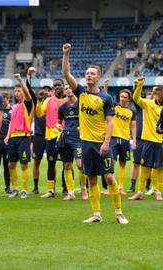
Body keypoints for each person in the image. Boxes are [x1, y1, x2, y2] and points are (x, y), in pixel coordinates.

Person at [63, 43, 128, 224]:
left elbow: (110, 121)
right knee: (91, 178)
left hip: (101, 143)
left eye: (92, 73)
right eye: (86, 73)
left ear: (98, 77)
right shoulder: (81, 93)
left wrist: (107, 142)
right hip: (85, 143)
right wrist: (66, 54)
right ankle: (96, 214)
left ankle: (119, 212)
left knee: (109, 177)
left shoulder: (106, 98)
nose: (88, 75)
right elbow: (67, 74)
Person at [128, 78, 163, 201]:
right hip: (148, 140)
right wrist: (139, 85)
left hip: (162, 141)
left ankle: (158, 192)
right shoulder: (148, 104)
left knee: (160, 167)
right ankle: (140, 192)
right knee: (144, 166)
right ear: (157, 94)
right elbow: (135, 98)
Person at [35, 77, 67, 198]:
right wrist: (38, 101)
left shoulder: (69, 100)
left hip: (64, 135)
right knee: (51, 162)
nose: (57, 87)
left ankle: (66, 188)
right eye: (55, 85)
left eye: (59, 85)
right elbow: (39, 113)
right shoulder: (48, 100)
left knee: (67, 163)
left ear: (63, 86)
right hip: (50, 136)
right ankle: (50, 190)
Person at [56, 84, 88, 201]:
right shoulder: (62, 107)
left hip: (78, 138)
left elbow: (88, 118)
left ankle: (84, 188)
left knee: (80, 165)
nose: (68, 90)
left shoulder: (81, 104)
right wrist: (58, 127)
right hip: (66, 138)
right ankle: (71, 192)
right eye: (66, 89)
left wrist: (82, 127)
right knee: (67, 165)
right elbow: (58, 122)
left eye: (70, 88)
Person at [5, 74, 34, 199]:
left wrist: (20, 80)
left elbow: (27, 94)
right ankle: (15, 188)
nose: (17, 93)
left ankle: (24, 189)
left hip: (24, 137)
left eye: (19, 91)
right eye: (15, 91)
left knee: (24, 164)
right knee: (11, 164)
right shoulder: (15, 107)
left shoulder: (28, 104)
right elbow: (11, 122)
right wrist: (8, 136)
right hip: (13, 138)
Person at [111, 89, 136, 195]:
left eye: (125, 97)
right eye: (121, 96)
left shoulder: (131, 112)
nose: (122, 99)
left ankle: (120, 187)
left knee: (123, 163)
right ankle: (112, 187)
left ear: (129, 99)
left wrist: (134, 140)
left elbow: (133, 126)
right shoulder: (114, 106)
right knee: (111, 162)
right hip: (113, 138)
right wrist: (106, 87)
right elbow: (104, 99)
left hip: (125, 139)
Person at [0, 92, 11, 194]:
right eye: (2, 99)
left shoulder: (12, 110)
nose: (3, 100)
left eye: (5, 98)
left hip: (8, 141)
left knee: (7, 165)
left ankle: (7, 187)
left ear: (8, 99)